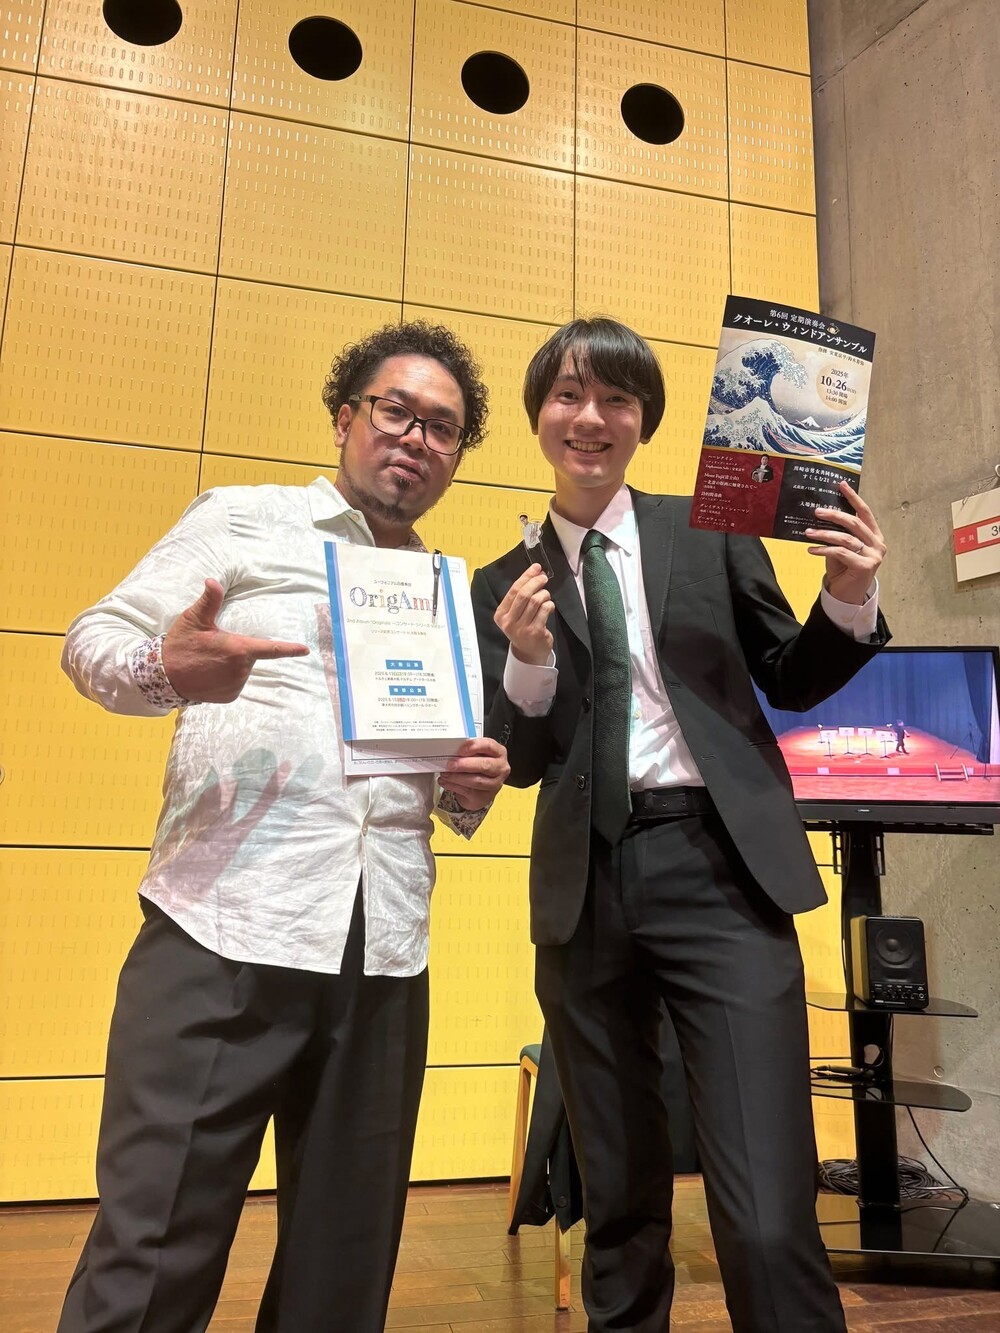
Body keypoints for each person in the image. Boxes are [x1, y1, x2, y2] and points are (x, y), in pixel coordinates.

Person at [57, 321, 510, 1333]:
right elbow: (93, 639)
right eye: (395, 411)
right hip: (223, 924)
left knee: (342, 1273)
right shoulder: (244, 518)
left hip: (383, 947)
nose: (416, 438)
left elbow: (438, 795)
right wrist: (167, 669)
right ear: (345, 417)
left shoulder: (442, 590)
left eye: (443, 427)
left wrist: (469, 786)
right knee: (151, 1254)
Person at [471, 317, 890, 1333]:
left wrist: (848, 595)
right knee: (617, 1203)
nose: (591, 417)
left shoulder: (710, 530)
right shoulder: (500, 582)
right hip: (585, 887)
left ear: (644, 422)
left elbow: (789, 675)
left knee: (766, 1209)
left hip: (720, 867)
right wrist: (526, 662)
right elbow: (515, 764)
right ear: (538, 417)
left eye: (616, 399)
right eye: (569, 395)